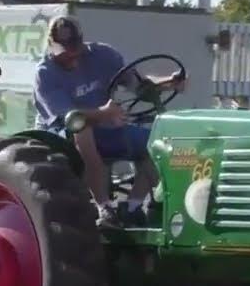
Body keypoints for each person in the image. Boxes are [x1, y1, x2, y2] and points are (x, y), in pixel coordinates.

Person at [33, 16, 185, 228]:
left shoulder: (103, 55)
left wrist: (168, 83)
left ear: (81, 41)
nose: (70, 54)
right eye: (63, 50)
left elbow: (138, 85)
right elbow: (70, 117)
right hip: (61, 134)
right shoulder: (45, 73)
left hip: (105, 126)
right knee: (82, 129)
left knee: (158, 142)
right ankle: (104, 208)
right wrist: (104, 113)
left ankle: (132, 207)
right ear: (51, 46)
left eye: (73, 47)